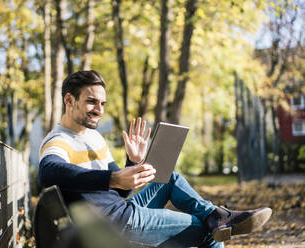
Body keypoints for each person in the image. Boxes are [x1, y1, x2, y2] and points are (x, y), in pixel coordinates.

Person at [38, 70, 272, 248]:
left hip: (121, 210)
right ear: (69, 100)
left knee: (168, 179)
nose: (99, 109)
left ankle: (217, 216)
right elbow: (48, 171)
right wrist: (113, 177)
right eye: (91, 101)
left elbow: (119, 190)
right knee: (207, 232)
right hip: (113, 223)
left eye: (102, 103)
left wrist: (132, 162)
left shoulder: (94, 137)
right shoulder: (59, 140)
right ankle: (217, 221)